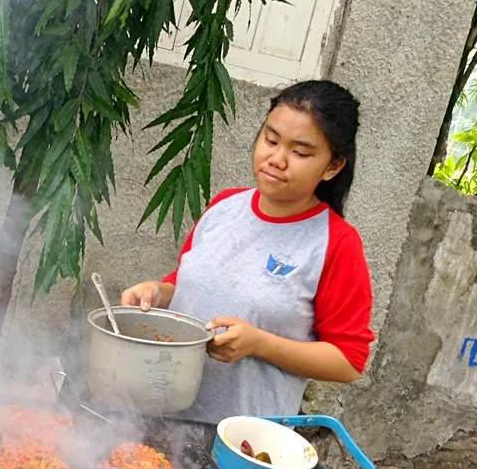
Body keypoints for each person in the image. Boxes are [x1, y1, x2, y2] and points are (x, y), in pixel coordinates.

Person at [121, 80, 375, 424]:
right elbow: (185, 283)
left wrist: (259, 344)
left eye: (300, 152)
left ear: (332, 166)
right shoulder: (224, 206)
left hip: (244, 440)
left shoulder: (335, 243)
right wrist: (157, 292)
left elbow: (349, 361)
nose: (276, 159)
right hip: (161, 414)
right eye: (270, 140)